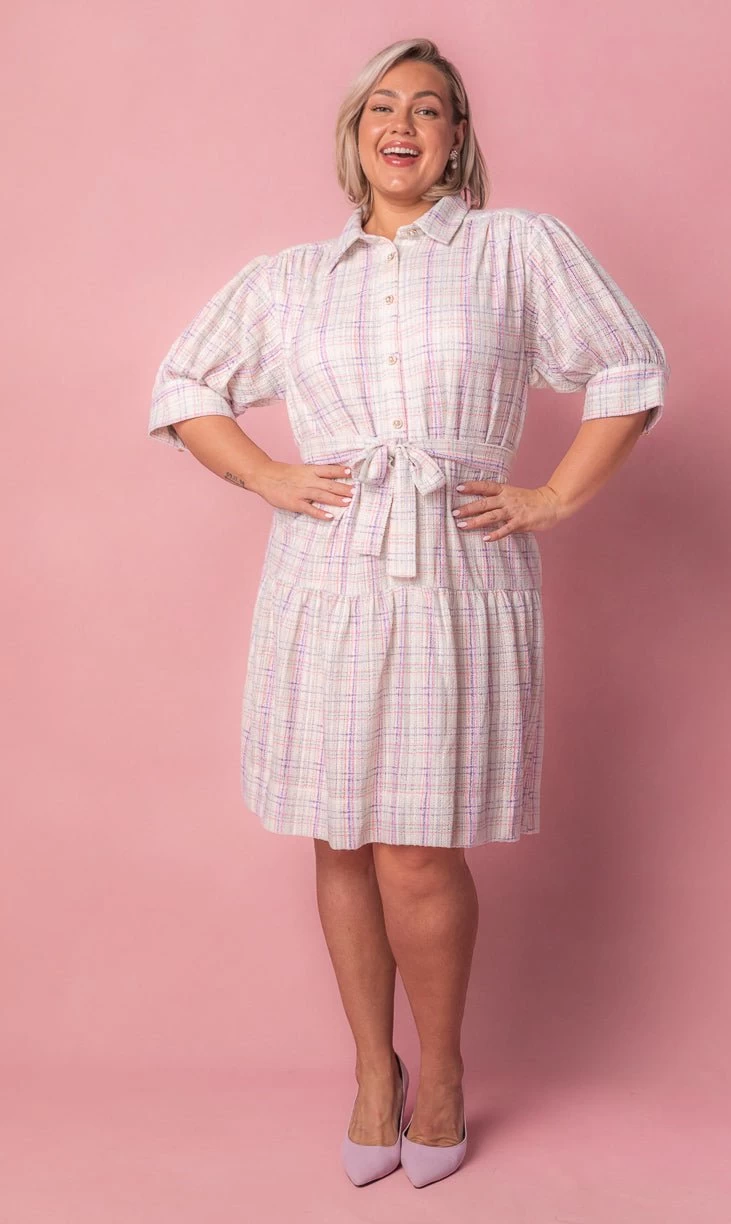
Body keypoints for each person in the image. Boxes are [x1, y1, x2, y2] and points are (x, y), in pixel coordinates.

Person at [148, 37, 670, 1189]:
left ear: (457, 139)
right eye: (381, 107)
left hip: (454, 566)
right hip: (324, 572)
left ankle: (442, 1072)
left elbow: (630, 367)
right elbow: (184, 385)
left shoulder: (516, 248)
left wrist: (552, 496)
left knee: (418, 846)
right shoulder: (290, 278)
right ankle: (370, 1073)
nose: (403, 125)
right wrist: (266, 474)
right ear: (355, 134)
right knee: (339, 831)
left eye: (428, 109)